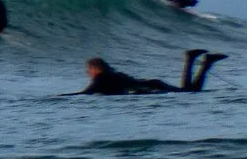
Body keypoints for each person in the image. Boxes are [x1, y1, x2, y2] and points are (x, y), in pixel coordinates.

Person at [81, 50, 226, 95]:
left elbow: (86, 92)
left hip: (153, 87)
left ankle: (195, 60)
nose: (88, 73)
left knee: (189, 92)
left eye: (89, 70)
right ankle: (204, 62)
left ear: (95, 68)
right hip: (153, 84)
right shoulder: (112, 75)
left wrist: (62, 97)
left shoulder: (101, 78)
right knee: (188, 92)